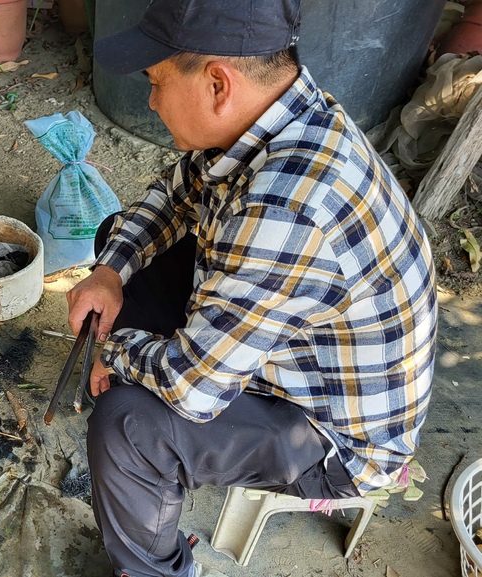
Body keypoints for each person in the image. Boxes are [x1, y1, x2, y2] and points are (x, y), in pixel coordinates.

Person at [66, 1, 438, 576]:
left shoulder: (289, 206)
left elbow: (194, 391)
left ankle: (154, 571)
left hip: (332, 435)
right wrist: (110, 272)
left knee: (125, 425)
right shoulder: (275, 113)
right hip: (290, 344)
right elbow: (174, 195)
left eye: (157, 82)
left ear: (218, 83)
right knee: (122, 243)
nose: (151, 101)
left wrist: (115, 354)